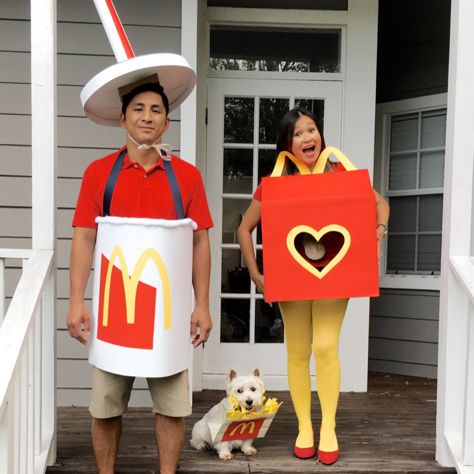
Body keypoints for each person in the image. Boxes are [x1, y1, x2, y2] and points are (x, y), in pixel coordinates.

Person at [67, 81, 213, 474]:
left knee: (171, 406)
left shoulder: (187, 176)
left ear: (167, 122)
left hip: (168, 312)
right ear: (122, 118)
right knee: (106, 405)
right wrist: (76, 299)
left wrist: (202, 304)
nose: (147, 116)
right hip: (117, 309)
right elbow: (84, 236)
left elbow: (200, 242)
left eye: (156, 110)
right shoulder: (99, 174)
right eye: (138, 108)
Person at [237, 107, 389, 465]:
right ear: (287, 143)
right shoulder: (275, 182)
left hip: (335, 273)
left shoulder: (341, 172)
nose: (308, 137)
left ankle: (329, 427)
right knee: (298, 350)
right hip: (292, 278)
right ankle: (305, 426)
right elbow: (245, 227)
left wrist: (377, 233)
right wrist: (256, 273)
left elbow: (380, 204)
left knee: (324, 346)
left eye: (312, 129)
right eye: (299, 133)